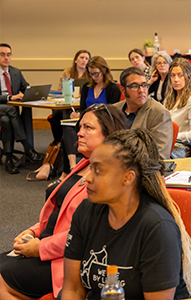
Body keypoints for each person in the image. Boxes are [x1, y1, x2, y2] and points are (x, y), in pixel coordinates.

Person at [0, 104, 129, 299]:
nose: (79, 133)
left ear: (109, 134)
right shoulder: (84, 164)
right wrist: (33, 231)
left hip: (68, 259)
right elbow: (58, 213)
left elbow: (87, 234)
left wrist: (40, 248)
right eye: (80, 127)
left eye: (88, 128)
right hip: (46, 243)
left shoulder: (109, 179)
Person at [61, 128, 191, 300]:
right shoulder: (86, 211)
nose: (88, 178)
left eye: (98, 170)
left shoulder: (157, 228)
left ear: (128, 178)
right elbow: (73, 289)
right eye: (91, 168)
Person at [56, 56, 121, 185]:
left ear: (104, 71)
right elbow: (82, 108)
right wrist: (78, 114)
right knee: (67, 129)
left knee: (66, 137)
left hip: (103, 123)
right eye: (91, 74)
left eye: (96, 73)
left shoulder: (113, 88)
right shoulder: (87, 87)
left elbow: (112, 112)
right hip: (85, 120)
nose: (94, 77)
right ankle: (72, 166)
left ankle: (66, 173)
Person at [29, 50, 91, 181]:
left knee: (68, 122)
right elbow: (60, 90)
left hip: (81, 105)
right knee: (57, 115)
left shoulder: (89, 75)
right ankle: (60, 141)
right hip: (67, 101)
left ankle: (64, 150)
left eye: (86, 58)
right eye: (81, 57)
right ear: (75, 59)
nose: (84, 60)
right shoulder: (67, 72)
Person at [0, 43, 43, 174]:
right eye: (2, 55)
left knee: (6, 121)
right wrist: (10, 98)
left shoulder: (15, 72)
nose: (6, 58)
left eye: (8, 54)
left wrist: (33, 94)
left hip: (6, 112)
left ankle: (8, 160)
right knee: (12, 110)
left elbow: (26, 87)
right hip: (5, 105)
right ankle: (28, 148)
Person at [115, 67, 173, 159]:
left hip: (141, 170)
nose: (141, 90)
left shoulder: (159, 113)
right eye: (134, 86)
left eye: (144, 85)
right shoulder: (114, 110)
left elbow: (160, 156)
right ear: (123, 90)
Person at [164, 58, 191, 158]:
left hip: (181, 147)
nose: (175, 79)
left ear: (188, 77)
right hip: (167, 143)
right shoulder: (170, 98)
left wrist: (172, 137)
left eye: (180, 75)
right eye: (173, 75)